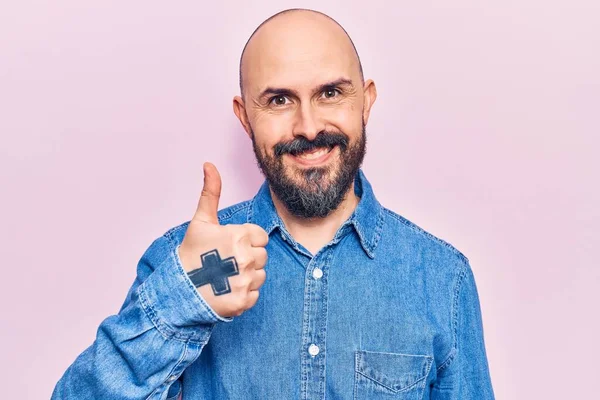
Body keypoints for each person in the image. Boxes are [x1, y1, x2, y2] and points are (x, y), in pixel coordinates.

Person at [52, 8, 495, 400]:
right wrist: (183, 301)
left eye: (331, 93)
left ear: (367, 101)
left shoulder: (441, 277)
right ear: (245, 117)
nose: (308, 126)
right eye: (279, 100)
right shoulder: (187, 262)